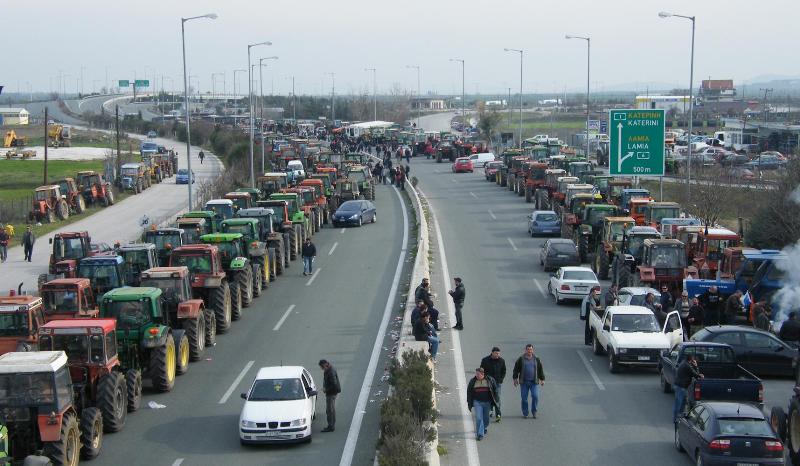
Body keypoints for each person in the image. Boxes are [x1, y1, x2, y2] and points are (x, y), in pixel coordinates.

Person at [512, 344, 545, 419]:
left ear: (533, 350)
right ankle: (525, 412)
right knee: (524, 398)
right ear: (525, 350)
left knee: (535, 396)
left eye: (531, 349)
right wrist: (515, 379)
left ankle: (534, 411)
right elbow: (516, 369)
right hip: (524, 382)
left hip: (534, 382)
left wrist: (542, 379)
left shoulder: (537, 359)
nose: (529, 351)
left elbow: (540, 370)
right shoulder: (521, 359)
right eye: (528, 349)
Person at [466, 367, 499, 441]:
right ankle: (480, 434)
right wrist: (469, 403)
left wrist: (496, 401)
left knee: (486, 419)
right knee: (478, 418)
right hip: (477, 402)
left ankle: (484, 427)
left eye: (478, 374)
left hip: (487, 402)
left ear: (482, 374)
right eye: (476, 374)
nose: (476, 375)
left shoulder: (490, 380)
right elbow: (469, 393)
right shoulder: (473, 381)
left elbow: (495, 390)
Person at [673, 354, 703, 423]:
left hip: (681, 387)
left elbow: (694, 373)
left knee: (683, 402)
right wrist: (696, 366)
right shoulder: (687, 366)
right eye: (693, 359)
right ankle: (676, 419)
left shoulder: (684, 363)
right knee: (679, 404)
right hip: (681, 387)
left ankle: (679, 417)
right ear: (691, 359)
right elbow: (696, 375)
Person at [480, 347, 506, 421]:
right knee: (488, 397)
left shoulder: (502, 361)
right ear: (492, 353)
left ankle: (498, 415)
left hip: (497, 383)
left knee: (497, 398)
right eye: (496, 353)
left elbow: (504, 370)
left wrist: (501, 379)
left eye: (499, 353)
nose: (498, 355)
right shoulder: (485, 360)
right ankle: (490, 410)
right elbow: (481, 371)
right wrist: (483, 379)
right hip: (487, 383)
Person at [318, 360, 341, 432]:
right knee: (331, 409)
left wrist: (326, 389)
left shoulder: (330, 372)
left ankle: (331, 426)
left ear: (325, 365)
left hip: (331, 393)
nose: (322, 369)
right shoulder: (328, 370)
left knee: (329, 410)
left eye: (322, 367)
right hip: (331, 392)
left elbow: (334, 384)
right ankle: (331, 425)